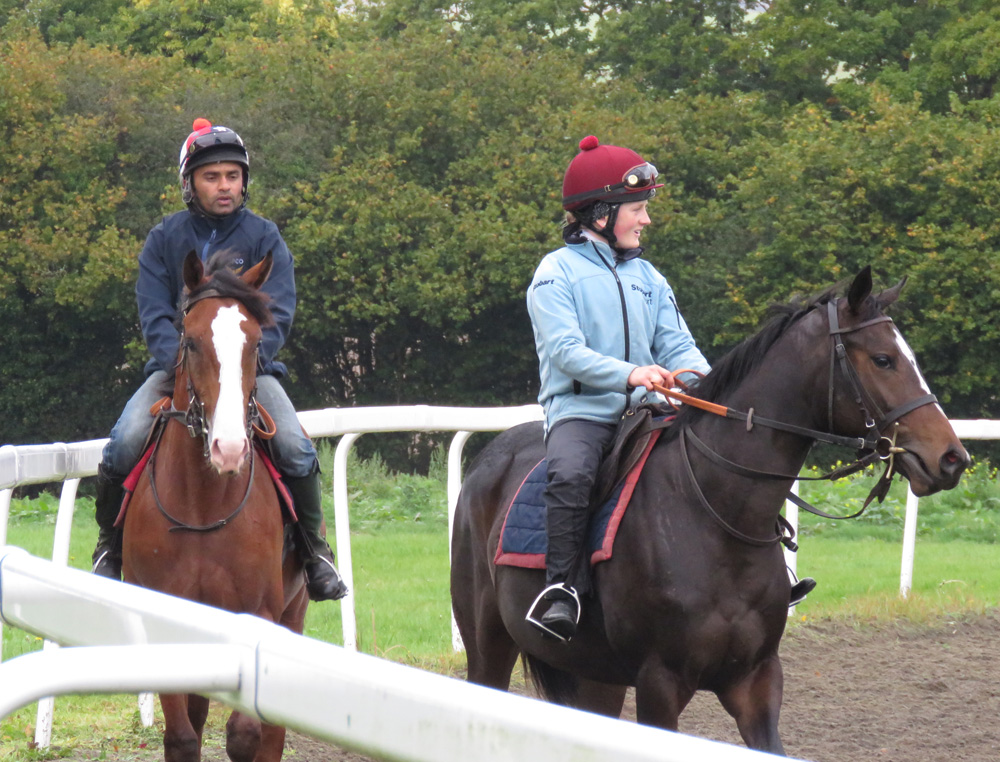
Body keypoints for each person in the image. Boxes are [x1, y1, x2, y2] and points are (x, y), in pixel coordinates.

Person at [525, 136, 813, 641]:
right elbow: (565, 351)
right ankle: (562, 589)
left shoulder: (650, 277)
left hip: (651, 408)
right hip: (582, 413)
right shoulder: (555, 273)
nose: (646, 220)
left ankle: (764, 577)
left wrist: (711, 390)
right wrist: (631, 373)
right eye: (637, 209)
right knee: (570, 475)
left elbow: (678, 346)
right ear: (599, 214)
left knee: (725, 457)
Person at [91, 118, 347, 602]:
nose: (224, 185)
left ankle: (315, 551)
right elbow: (153, 314)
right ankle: (110, 549)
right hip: (178, 370)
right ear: (189, 183)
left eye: (233, 175)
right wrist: (186, 365)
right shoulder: (163, 239)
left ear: (244, 181)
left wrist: (240, 366)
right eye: (212, 177)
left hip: (250, 371)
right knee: (123, 441)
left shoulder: (266, 237)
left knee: (294, 445)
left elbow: (281, 312)